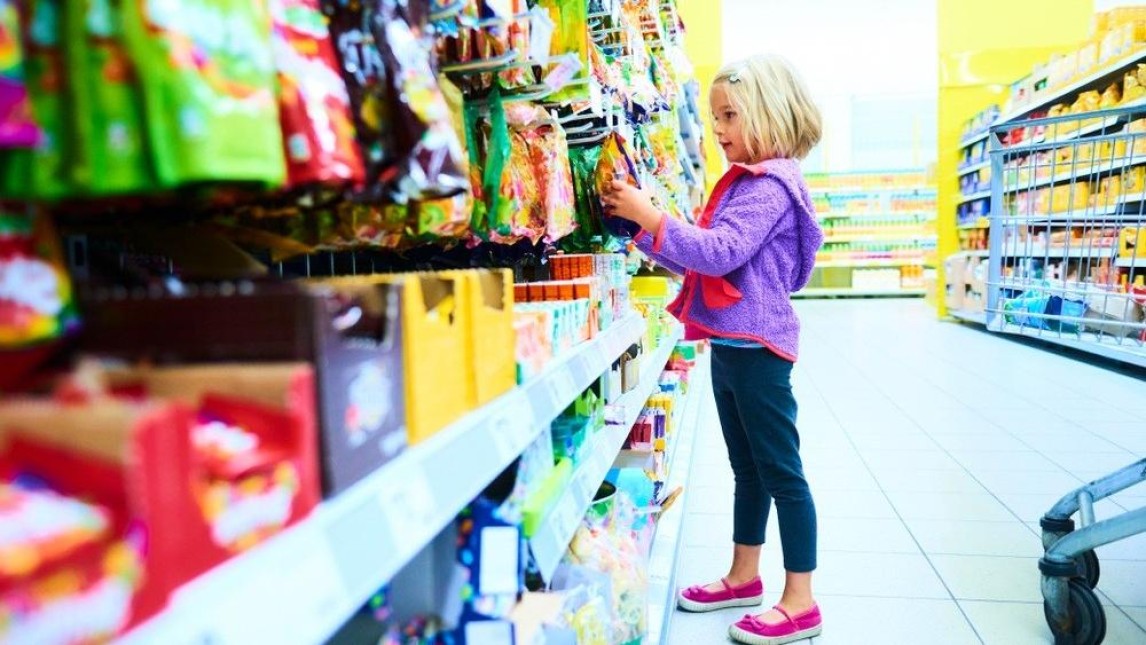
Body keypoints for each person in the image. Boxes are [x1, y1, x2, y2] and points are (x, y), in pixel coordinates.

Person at [600, 53, 825, 645]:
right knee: (747, 471)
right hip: (732, 347)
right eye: (715, 117)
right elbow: (699, 263)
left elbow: (721, 252)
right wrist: (646, 233)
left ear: (770, 115)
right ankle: (743, 575)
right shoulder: (746, 183)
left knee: (782, 474)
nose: (718, 130)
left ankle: (800, 599)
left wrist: (654, 215)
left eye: (728, 116)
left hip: (759, 351)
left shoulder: (770, 186)